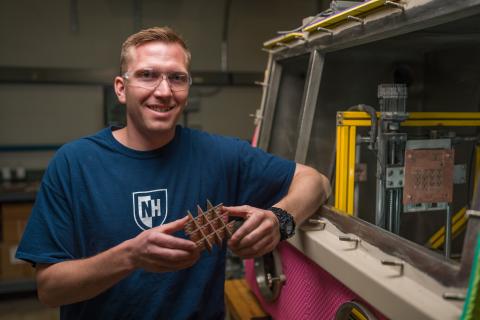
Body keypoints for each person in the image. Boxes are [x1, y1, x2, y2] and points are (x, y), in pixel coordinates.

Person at [16, 26, 330, 319]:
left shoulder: (221, 155)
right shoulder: (74, 163)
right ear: (121, 89)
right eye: (148, 75)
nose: (164, 91)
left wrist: (280, 220)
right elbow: (50, 289)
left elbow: (315, 181)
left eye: (177, 78)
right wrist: (130, 257)